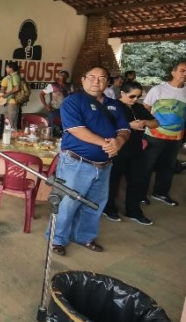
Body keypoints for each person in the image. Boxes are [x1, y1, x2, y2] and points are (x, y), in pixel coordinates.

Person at [47, 66, 130, 256]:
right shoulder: (73, 101)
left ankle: (83, 236)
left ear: (107, 82)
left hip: (104, 165)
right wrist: (106, 144)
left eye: (101, 78)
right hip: (75, 164)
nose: (96, 81)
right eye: (91, 77)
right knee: (67, 203)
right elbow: (76, 129)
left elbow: (124, 129)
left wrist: (119, 141)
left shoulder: (114, 105)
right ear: (83, 80)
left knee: (94, 204)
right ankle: (57, 239)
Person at [102, 81, 157, 226]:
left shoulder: (139, 107)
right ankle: (109, 208)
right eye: (132, 96)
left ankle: (133, 211)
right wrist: (129, 125)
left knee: (136, 181)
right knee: (112, 180)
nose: (135, 99)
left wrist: (144, 122)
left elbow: (156, 123)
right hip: (117, 149)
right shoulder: (112, 106)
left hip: (136, 149)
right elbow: (103, 127)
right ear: (122, 93)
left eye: (138, 97)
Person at [140, 61, 186, 207]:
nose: (185, 74)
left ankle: (160, 192)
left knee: (168, 166)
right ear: (173, 72)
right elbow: (145, 109)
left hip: (176, 137)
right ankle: (140, 194)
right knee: (146, 165)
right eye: (182, 70)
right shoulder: (158, 89)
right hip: (154, 136)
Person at [0, 61, 21, 129]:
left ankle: (12, 135)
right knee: (7, 122)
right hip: (8, 102)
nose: (6, 69)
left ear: (11, 69)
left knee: (12, 123)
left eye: (7, 67)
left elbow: (17, 88)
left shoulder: (15, 76)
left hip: (13, 103)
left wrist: (7, 94)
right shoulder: (10, 77)